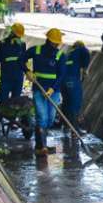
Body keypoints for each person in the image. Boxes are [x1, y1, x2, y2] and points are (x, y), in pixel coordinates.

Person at [22, 28, 67, 156]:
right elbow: (21, 59)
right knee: (42, 117)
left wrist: (52, 89)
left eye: (57, 43)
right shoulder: (36, 51)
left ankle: (43, 143)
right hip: (39, 89)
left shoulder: (60, 56)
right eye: (54, 42)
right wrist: (27, 71)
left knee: (50, 120)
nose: (55, 45)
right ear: (48, 40)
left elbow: (62, 75)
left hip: (54, 91)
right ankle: (40, 147)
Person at [0, 23, 27, 131]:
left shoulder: (22, 44)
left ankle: (12, 123)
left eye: (19, 36)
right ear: (12, 33)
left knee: (16, 101)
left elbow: (24, 61)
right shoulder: (2, 43)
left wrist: (27, 73)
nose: (18, 37)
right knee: (2, 99)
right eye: (17, 35)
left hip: (18, 77)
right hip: (6, 77)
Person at [61, 41, 90, 136]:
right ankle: (75, 131)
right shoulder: (80, 50)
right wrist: (85, 69)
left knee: (66, 103)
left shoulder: (68, 54)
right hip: (72, 80)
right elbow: (86, 53)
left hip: (62, 81)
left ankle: (66, 126)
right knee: (75, 104)